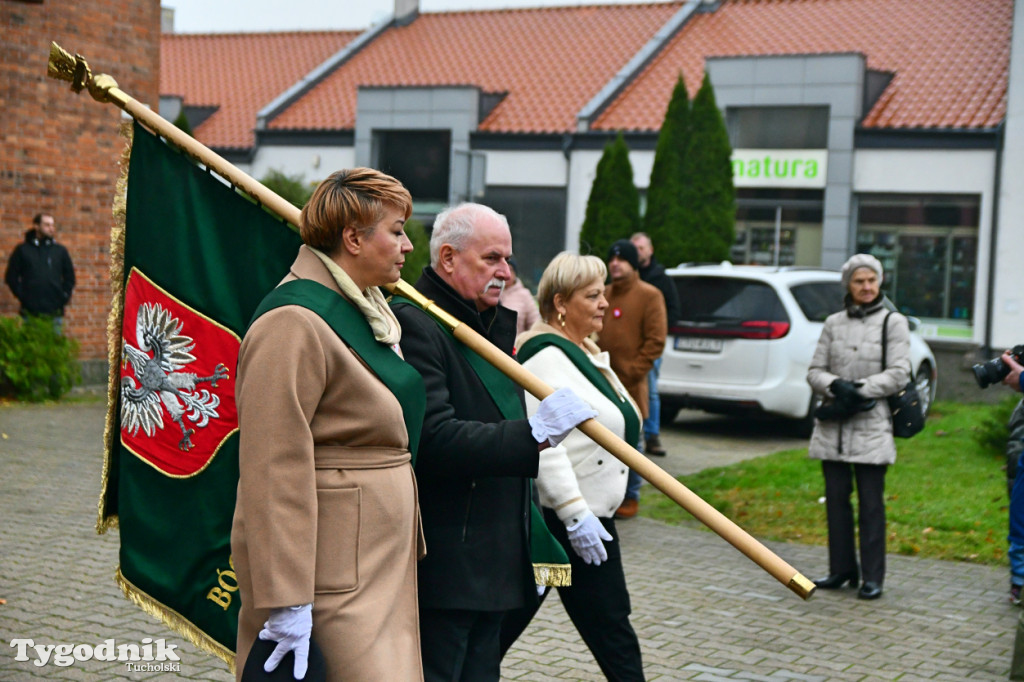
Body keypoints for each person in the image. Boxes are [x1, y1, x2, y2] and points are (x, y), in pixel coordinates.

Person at [231, 168, 427, 681]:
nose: (407, 245)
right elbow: (273, 465)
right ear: (353, 238)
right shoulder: (292, 320)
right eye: (397, 230)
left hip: (370, 561)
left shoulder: (364, 308)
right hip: (329, 575)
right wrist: (286, 598)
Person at [390, 202, 596, 682]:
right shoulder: (418, 323)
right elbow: (434, 439)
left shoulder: (483, 321)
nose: (506, 272)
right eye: (491, 259)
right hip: (449, 565)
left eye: (508, 259)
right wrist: (533, 434)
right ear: (447, 259)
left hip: (492, 561)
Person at [499, 252, 646, 680]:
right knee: (501, 627)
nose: (604, 303)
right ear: (561, 303)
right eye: (593, 295)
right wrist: (573, 511)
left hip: (592, 519)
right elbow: (545, 442)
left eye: (604, 293)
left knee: (610, 626)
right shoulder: (544, 357)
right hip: (559, 523)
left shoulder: (584, 353)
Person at [807, 253, 910, 601]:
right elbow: (814, 371)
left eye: (871, 280)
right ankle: (841, 569)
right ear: (848, 285)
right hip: (834, 425)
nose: (866, 287)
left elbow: (899, 373)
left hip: (871, 422)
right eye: (858, 281)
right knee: (836, 500)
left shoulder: (893, 322)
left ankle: (872, 576)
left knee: (870, 503)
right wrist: (836, 386)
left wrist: (859, 390)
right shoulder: (833, 322)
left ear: (879, 282)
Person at [597, 239, 666, 520]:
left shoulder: (650, 295)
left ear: (633, 264)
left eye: (622, 259)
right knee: (604, 441)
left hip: (630, 383)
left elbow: (656, 341)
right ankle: (605, 495)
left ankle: (631, 495)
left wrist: (633, 371)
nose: (615, 264)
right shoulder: (603, 293)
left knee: (631, 444)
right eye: (612, 259)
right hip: (600, 382)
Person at [630, 232, 680, 456]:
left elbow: (674, 311)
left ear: (650, 250)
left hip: (650, 343)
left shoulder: (661, 279)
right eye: (634, 248)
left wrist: (655, 330)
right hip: (628, 343)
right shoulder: (626, 277)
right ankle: (633, 432)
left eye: (641, 247)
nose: (638, 252)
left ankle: (652, 435)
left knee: (650, 390)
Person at [4, 212, 76, 332]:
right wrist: (24, 297)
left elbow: (70, 277)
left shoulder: (60, 251)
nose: (51, 228)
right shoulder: (23, 250)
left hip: (55, 312)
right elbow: (11, 277)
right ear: (37, 226)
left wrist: (64, 296)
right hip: (30, 312)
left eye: (52, 225)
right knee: (30, 347)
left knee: (54, 348)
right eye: (47, 225)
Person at [500, 256, 540, 336]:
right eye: (504, 269)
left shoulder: (524, 295)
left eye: (510, 269)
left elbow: (535, 324)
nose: (507, 273)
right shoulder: (492, 292)